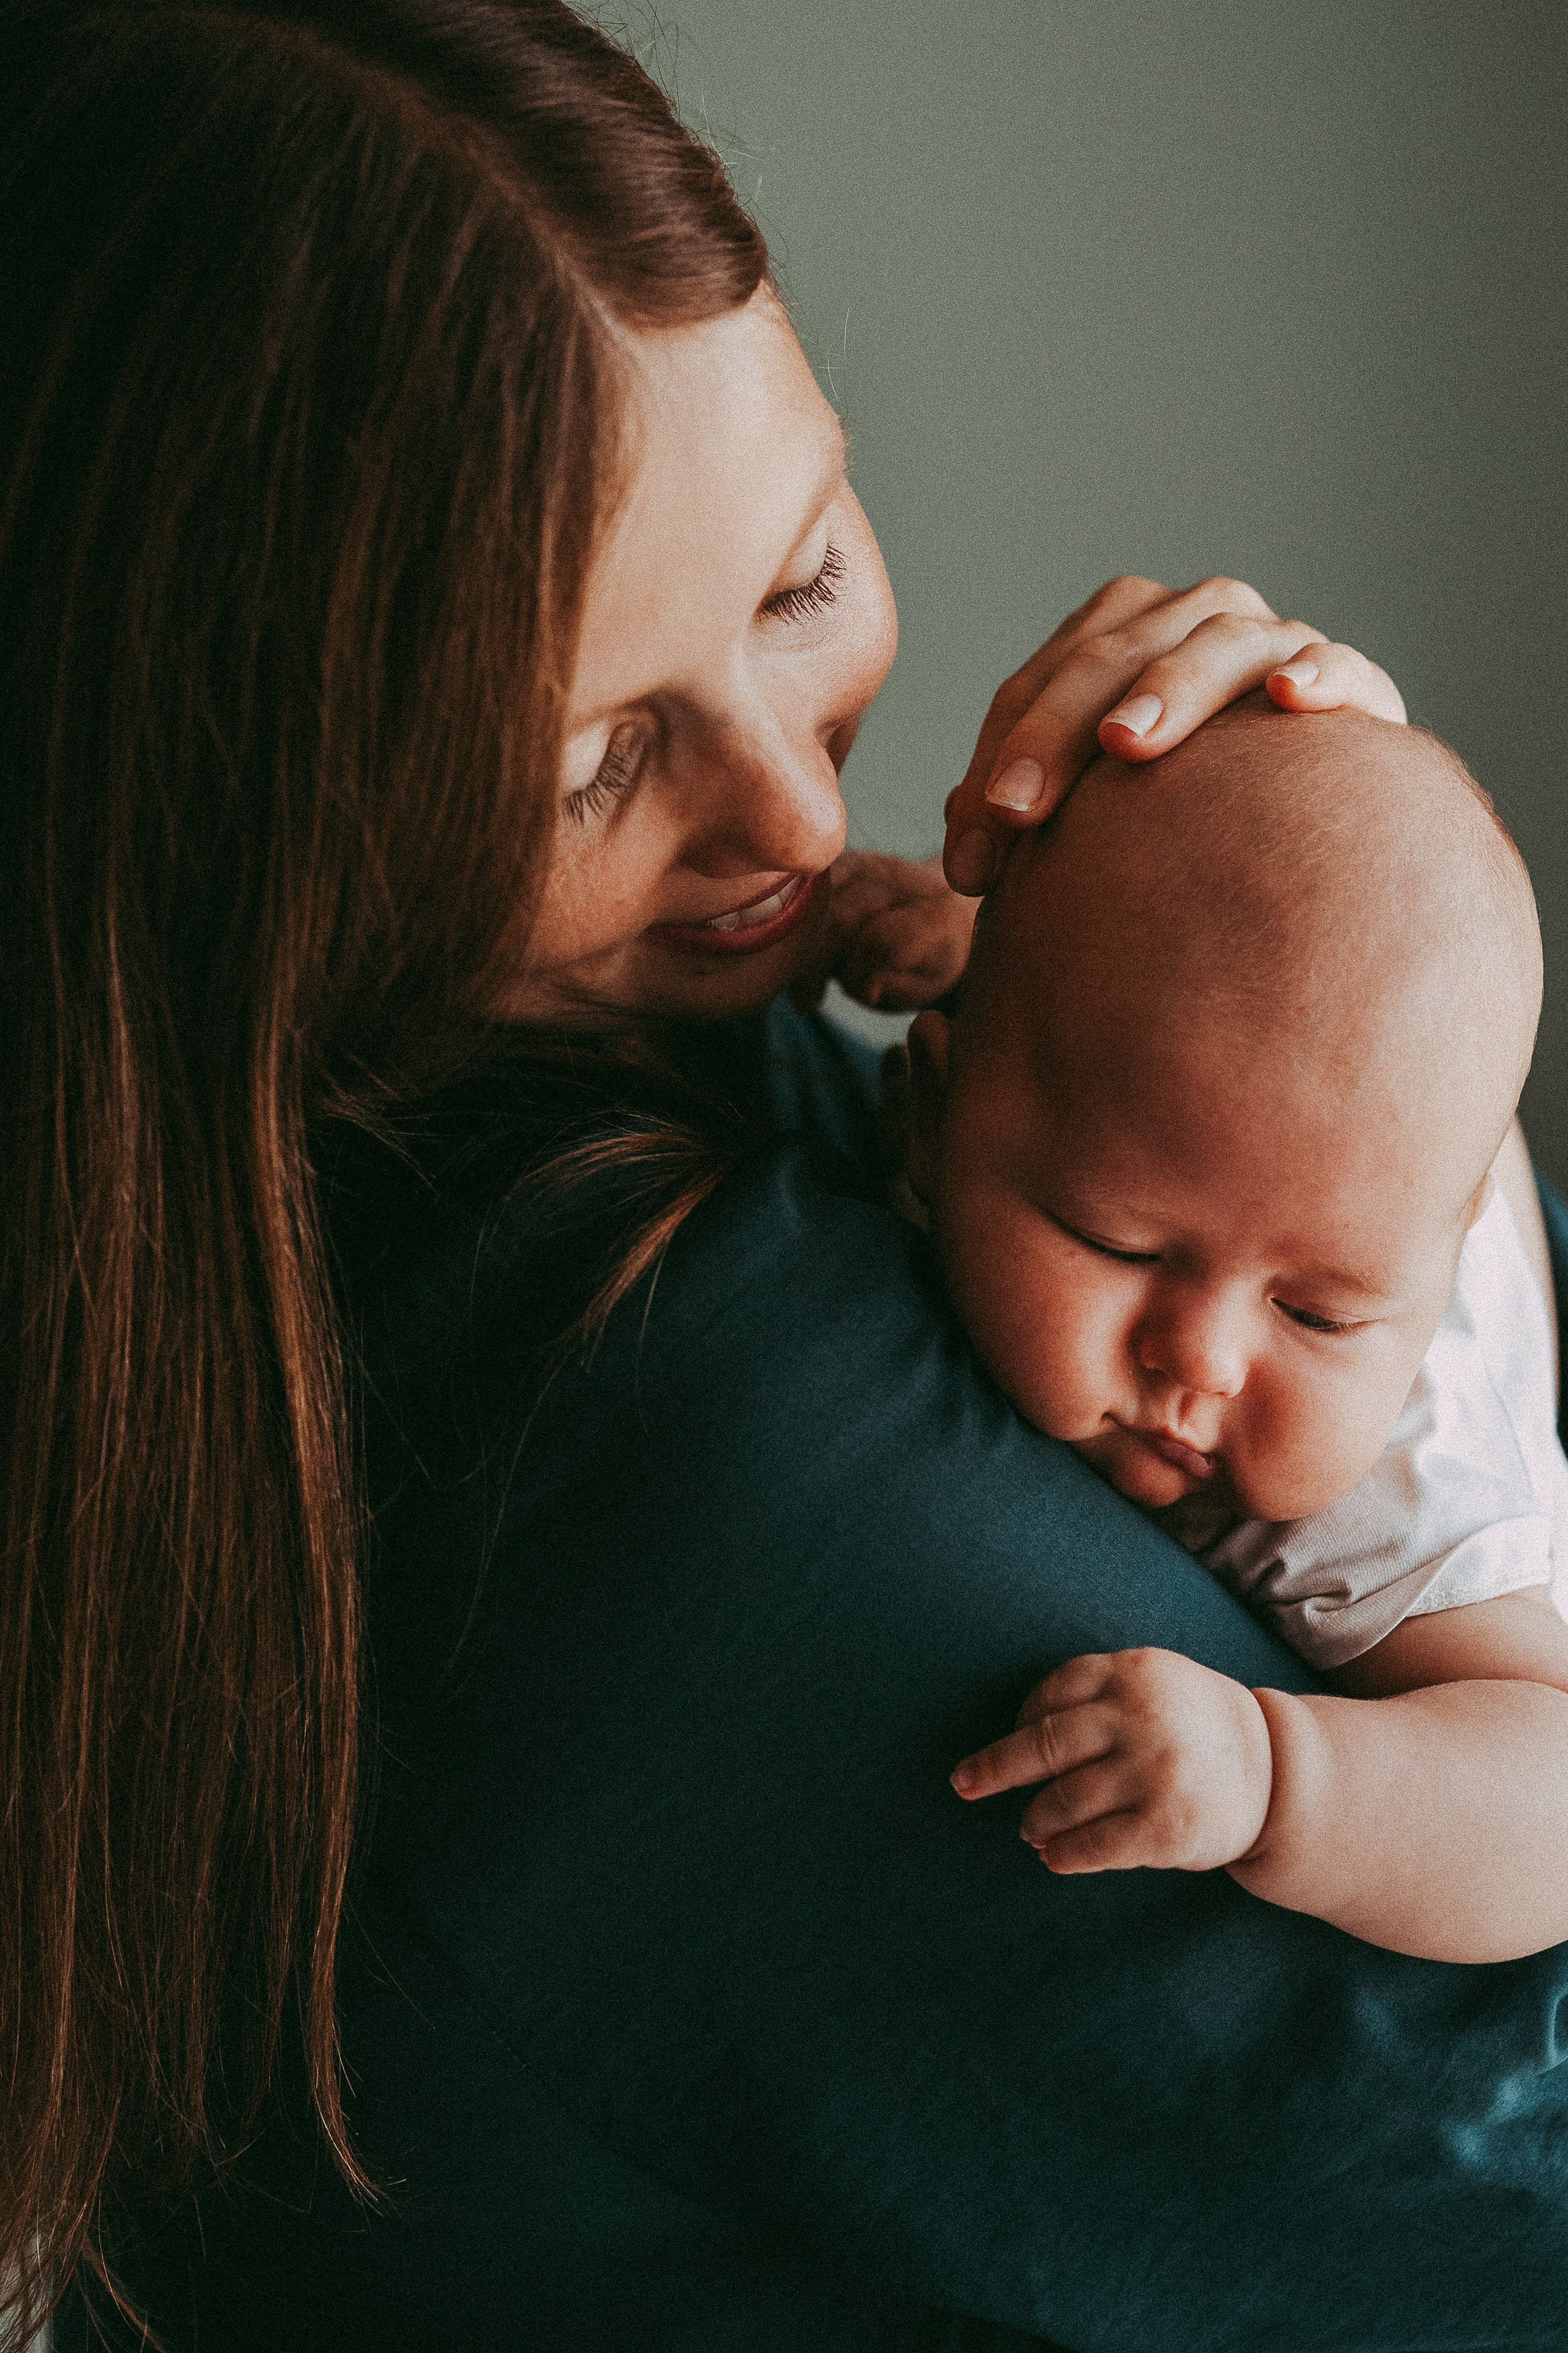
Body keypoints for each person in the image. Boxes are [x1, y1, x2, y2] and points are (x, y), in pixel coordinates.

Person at [6, 2, 1566, 2348]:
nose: (802, 823)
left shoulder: (739, 1071)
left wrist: (1344, 959)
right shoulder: (635, 1429)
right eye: (591, 760)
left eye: (806, 568)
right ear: (235, 829)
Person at [900, 698, 1568, 1960]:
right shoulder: (1035, 1122)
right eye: (1121, 1246)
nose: (1198, 1361)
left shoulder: (1389, 1510)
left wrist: (1277, 1774)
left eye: (1310, 1311)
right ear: (924, 1117)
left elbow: (1554, 1807)